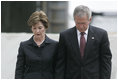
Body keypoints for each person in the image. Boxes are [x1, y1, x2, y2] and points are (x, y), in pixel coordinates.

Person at [55, 5, 112, 79]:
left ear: (90, 19)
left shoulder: (101, 35)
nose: (81, 26)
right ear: (74, 19)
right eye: (78, 23)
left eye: (83, 23)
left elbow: (106, 61)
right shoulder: (65, 36)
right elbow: (60, 62)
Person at [15, 11, 58, 79]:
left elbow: (57, 70)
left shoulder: (55, 45)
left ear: (45, 27)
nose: (37, 31)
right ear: (31, 28)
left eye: (40, 28)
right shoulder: (24, 46)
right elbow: (19, 70)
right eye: (34, 28)